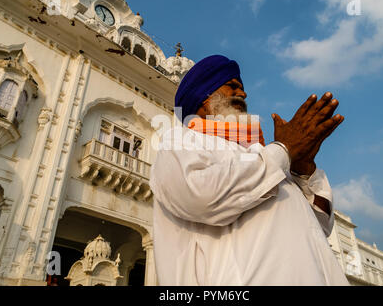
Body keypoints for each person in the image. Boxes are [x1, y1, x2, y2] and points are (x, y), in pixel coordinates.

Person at [149, 55, 349, 285]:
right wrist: (284, 150)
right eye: (233, 86)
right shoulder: (182, 141)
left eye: (242, 88)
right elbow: (201, 195)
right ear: (204, 98)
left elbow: (319, 227)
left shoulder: (263, 158)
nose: (243, 94)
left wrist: (302, 168)